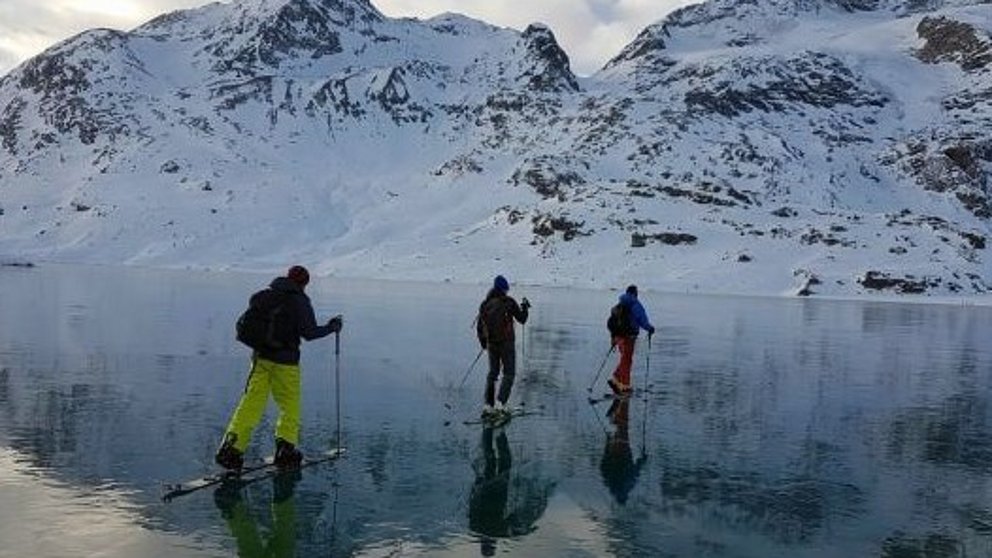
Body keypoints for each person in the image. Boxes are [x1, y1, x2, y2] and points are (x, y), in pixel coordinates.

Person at [215, 265, 343, 471]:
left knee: (250, 404)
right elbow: (309, 333)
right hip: (286, 363)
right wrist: (332, 327)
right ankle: (285, 450)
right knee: (289, 406)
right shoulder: (299, 301)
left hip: (261, 359)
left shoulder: (265, 296)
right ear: (304, 283)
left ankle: (231, 449)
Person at [476, 275, 529, 418]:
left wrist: (484, 343)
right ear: (504, 289)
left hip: (491, 344)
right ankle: (501, 403)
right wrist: (525, 308)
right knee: (509, 373)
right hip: (507, 344)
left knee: (492, 373)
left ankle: (488, 405)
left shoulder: (485, 304)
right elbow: (522, 319)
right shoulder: (509, 302)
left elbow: (480, 326)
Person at [608, 284, 654, 395]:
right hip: (629, 337)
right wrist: (650, 328)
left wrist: (613, 337)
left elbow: (613, 320)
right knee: (627, 360)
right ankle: (624, 386)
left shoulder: (621, 303)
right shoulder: (635, 304)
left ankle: (616, 379)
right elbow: (642, 319)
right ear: (635, 293)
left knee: (624, 358)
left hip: (619, 336)